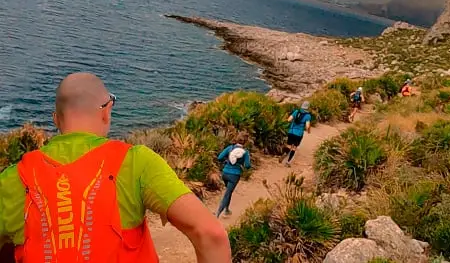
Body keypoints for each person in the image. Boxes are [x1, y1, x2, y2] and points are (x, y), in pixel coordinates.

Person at [0, 73, 231, 263]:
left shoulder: (12, 179)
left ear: (56, 120)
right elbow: (211, 235)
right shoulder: (135, 161)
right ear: (106, 111)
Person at [216, 142, 251, 218]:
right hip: (234, 175)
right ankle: (217, 214)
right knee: (227, 194)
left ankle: (227, 210)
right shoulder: (245, 152)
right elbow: (247, 165)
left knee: (228, 192)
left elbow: (219, 157)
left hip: (225, 173)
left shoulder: (230, 148)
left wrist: (226, 160)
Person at [282, 101, 312, 167]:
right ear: (308, 107)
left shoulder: (296, 111)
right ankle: (288, 162)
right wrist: (308, 131)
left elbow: (289, 120)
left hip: (291, 131)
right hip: (298, 134)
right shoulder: (308, 116)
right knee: (294, 148)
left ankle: (284, 154)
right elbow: (307, 126)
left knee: (289, 145)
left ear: (302, 106)